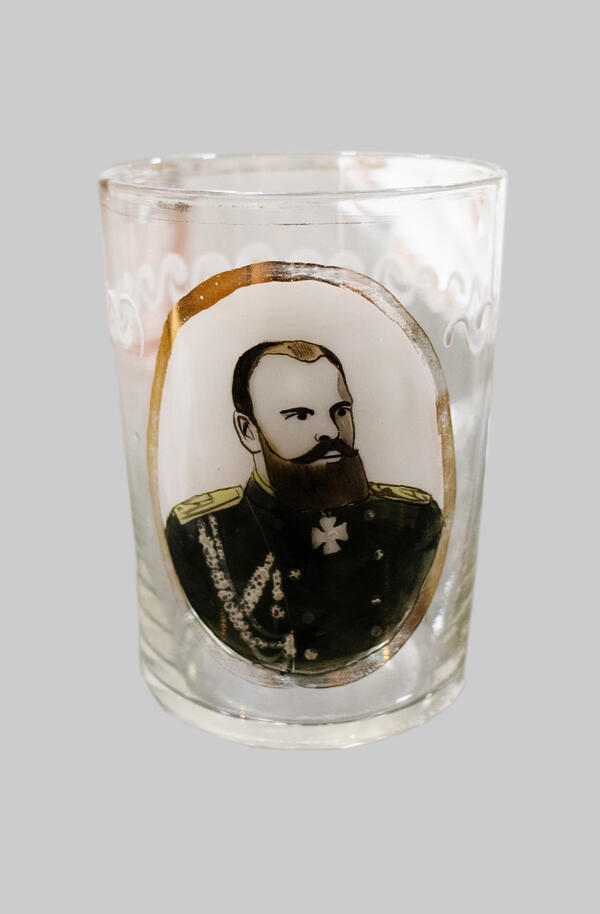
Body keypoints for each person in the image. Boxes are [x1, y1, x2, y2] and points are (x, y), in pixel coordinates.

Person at [165, 340, 443, 674]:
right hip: (223, 687)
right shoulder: (203, 532)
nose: (330, 431)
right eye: (300, 415)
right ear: (248, 431)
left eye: (340, 411)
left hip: (398, 680)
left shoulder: (411, 519)